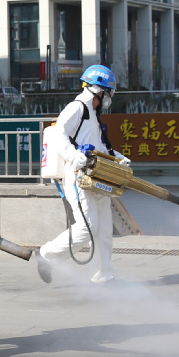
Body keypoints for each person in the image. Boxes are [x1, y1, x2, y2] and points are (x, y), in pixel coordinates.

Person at [34, 64, 131, 284]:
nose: (108, 98)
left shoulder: (94, 116)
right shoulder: (76, 108)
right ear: (98, 90)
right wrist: (73, 155)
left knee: (104, 229)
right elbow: (59, 134)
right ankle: (47, 255)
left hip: (97, 177)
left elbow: (100, 149)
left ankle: (102, 274)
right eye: (108, 93)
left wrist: (118, 158)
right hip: (78, 176)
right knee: (86, 228)